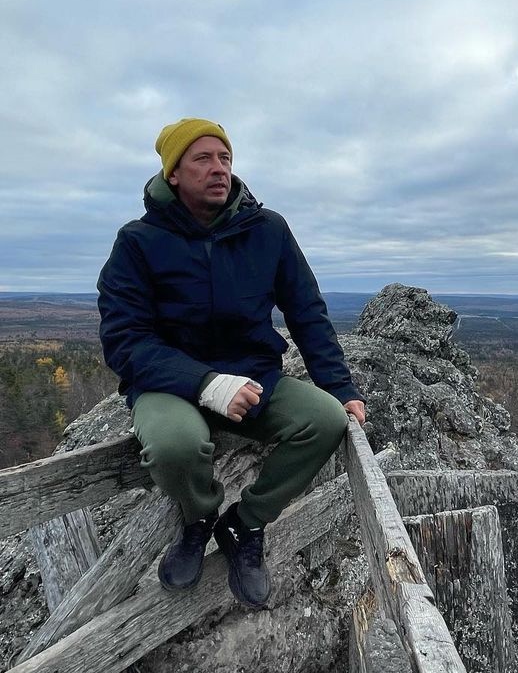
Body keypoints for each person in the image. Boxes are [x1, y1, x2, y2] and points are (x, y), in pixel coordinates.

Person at [97, 117, 366, 609]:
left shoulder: (267, 230)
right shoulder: (137, 242)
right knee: (175, 445)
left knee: (326, 421)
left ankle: (245, 524)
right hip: (168, 383)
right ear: (173, 173)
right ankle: (199, 518)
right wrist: (204, 382)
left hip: (253, 373)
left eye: (225, 158)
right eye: (203, 158)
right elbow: (124, 340)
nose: (219, 169)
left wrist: (340, 386)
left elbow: (306, 311)